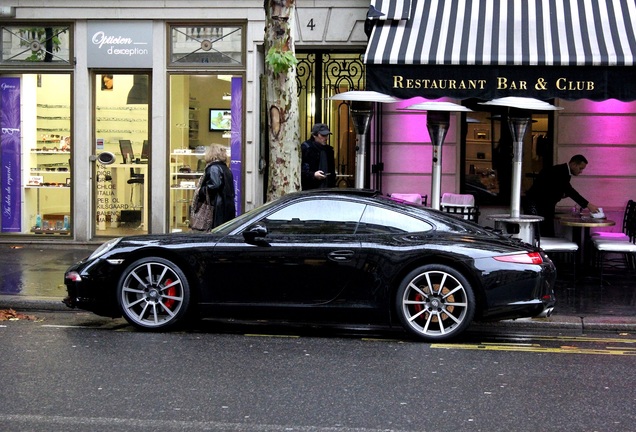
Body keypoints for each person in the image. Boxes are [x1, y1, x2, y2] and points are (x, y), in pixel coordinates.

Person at [524, 154, 600, 237]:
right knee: (542, 233)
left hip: (542, 205)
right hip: (538, 205)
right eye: (580, 168)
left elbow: (557, 188)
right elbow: (570, 191)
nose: (581, 171)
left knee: (545, 233)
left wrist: (561, 194)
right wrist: (588, 205)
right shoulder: (561, 171)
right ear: (574, 164)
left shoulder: (563, 171)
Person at [197, 144, 236, 228]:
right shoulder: (226, 168)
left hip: (217, 209)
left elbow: (214, 185)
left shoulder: (214, 168)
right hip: (227, 206)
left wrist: (201, 190)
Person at [301, 123, 336, 190]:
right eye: (323, 135)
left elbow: (332, 173)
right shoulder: (306, 148)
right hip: (310, 189)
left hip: (327, 189)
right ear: (314, 135)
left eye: (327, 135)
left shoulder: (329, 150)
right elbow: (301, 171)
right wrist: (313, 175)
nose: (326, 138)